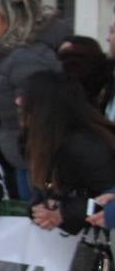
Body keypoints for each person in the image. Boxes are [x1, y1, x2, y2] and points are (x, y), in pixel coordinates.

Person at [0, 0, 61, 197]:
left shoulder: (26, 60)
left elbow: (40, 121)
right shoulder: (1, 59)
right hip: (22, 161)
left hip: (38, 165)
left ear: (9, 21)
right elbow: (2, 114)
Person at [18, 69, 115, 234]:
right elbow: (45, 188)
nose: (18, 102)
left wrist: (64, 212)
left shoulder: (87, 145)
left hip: (98, 240)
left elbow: (107, 196)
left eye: (26, 97)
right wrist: (40, 209)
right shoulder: (45, 141)